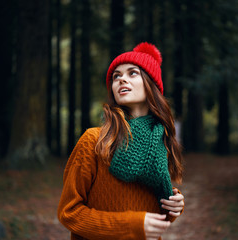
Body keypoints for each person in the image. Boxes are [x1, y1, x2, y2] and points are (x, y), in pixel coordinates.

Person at [57, 42, 185, 240]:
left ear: (150, 84)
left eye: (132, 73)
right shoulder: (94, 140)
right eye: (116, 76)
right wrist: (130, 225)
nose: (121, 79)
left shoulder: (160, 142)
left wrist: (172, 205)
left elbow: (150, 215)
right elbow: (69, 212)